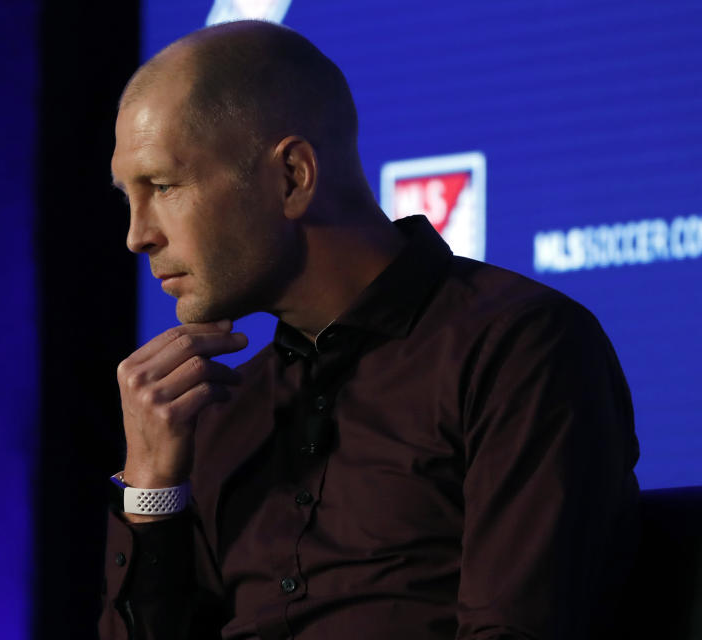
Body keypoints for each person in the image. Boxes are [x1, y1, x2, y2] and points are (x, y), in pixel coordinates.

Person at [102, 20, 640, 640]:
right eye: (129, 198)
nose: (137, 234)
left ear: (292, 177)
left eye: (164, 187)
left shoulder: (518, 347)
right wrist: (150, 487)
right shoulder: (216, 410)